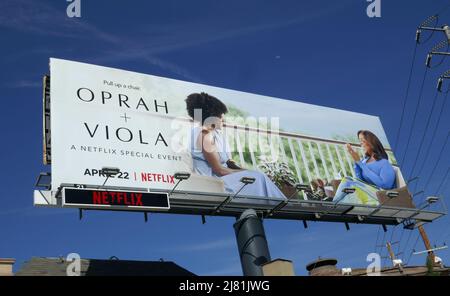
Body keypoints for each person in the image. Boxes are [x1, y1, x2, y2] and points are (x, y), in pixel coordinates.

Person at [185, 92, 286, 200]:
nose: (223, 119)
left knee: (259, 176)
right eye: (221, 116)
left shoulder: (217, 135)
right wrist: (247, 173)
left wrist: (248, 171)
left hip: (224, 177)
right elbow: (219, 170)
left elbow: (229, 163)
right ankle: (284, 207)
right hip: (214, 182)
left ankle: (281, 205)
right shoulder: (204, 135)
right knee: (258, 178)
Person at [332, 130, 396, 206]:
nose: (360, 143)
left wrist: (360, 163)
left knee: (347, 180)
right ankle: (335, 207)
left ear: (371, 142)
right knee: (348, 181)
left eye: (363, 140)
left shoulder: (384, 162)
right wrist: (356, 162)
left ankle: (332, 205)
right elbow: (360, 180)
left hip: (381, 194)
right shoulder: (365, 160)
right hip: (368, 191)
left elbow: (386, 185)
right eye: (360, 141)